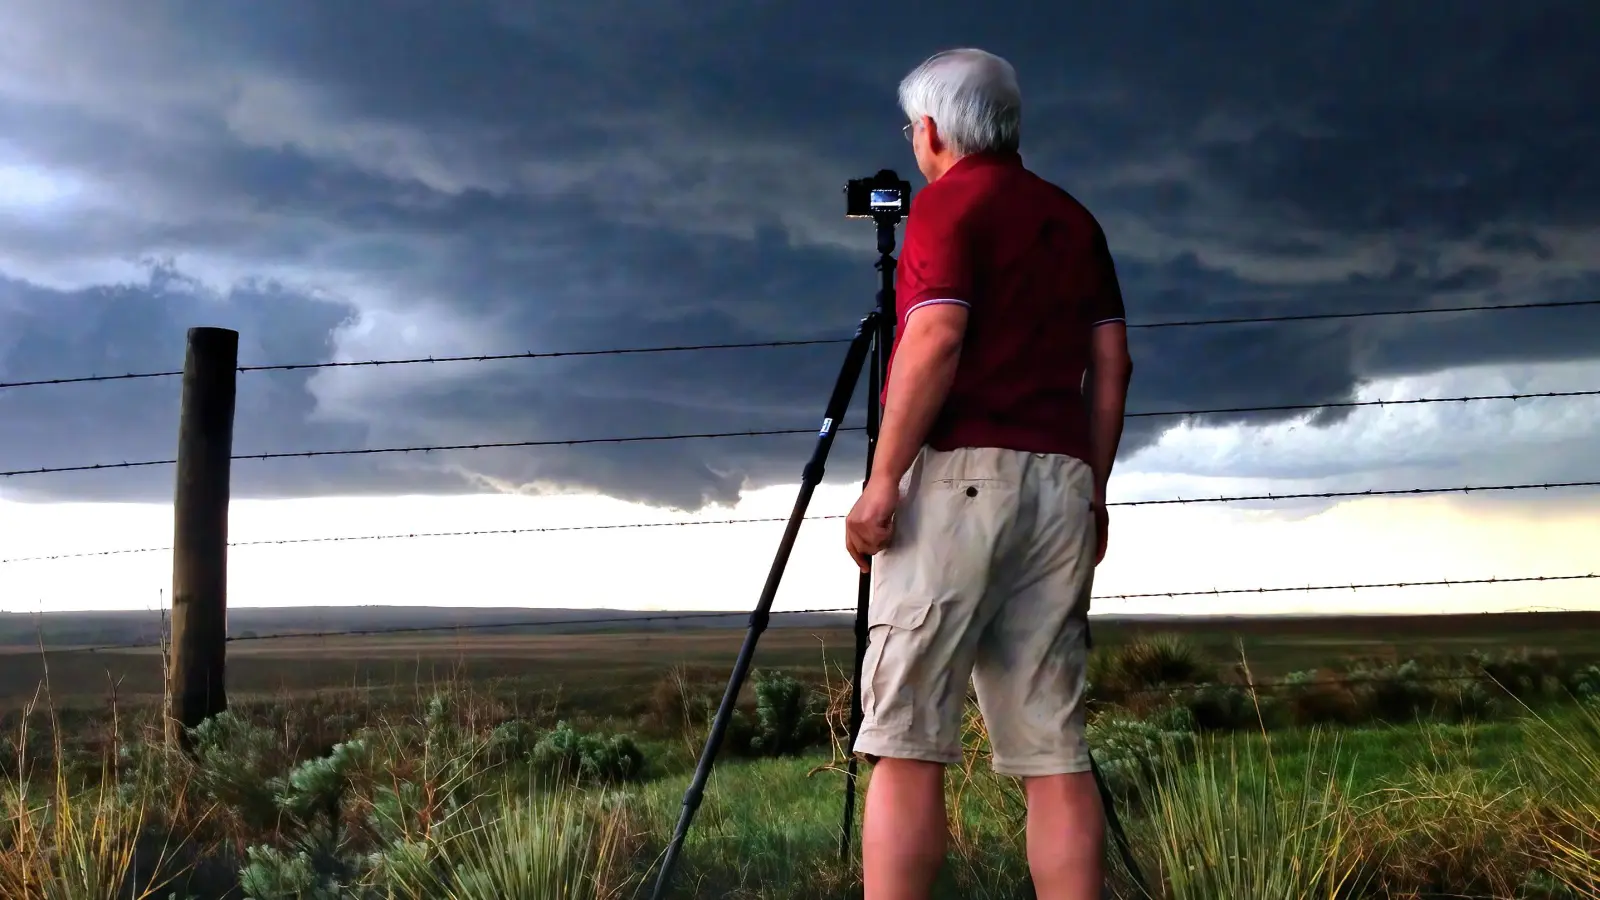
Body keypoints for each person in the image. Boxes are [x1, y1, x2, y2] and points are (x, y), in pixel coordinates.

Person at [843, 48, 1134, 900]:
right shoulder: (1075, 220)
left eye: (913, 129)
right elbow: (1112, 364)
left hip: (960, 482)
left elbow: (935, 337)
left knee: (905, 739)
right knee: (1053, 749)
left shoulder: (947, 206)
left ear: (931, 131)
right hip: (1061, 483)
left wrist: (882, 480)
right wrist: (1093, 489)